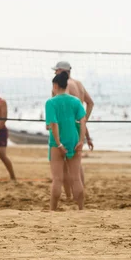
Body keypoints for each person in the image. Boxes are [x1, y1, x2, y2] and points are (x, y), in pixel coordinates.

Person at [52, 61, 94, 200]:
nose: (54, 74)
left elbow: (63, 106)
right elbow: (90, 103)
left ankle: (70, 196)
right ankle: (79, 194)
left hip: (66, 126)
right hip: (77, 125)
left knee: (63, 163)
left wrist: (54, 124)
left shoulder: (63, 86)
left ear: (61, 71)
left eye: (55, 71)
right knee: (76, 164)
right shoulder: (79, 84)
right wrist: (83, 121)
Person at [46, 71, 87, 211]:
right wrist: (81, 140)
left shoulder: (51, 102)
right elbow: (83, 120)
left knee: (57, 179)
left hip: (57, 142)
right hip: (74, 140)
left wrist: (58, 144)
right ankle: (81, 208)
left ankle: (53, 209)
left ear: (55, 85)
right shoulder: (75, 101)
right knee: (76, 178)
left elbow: (54, 124)